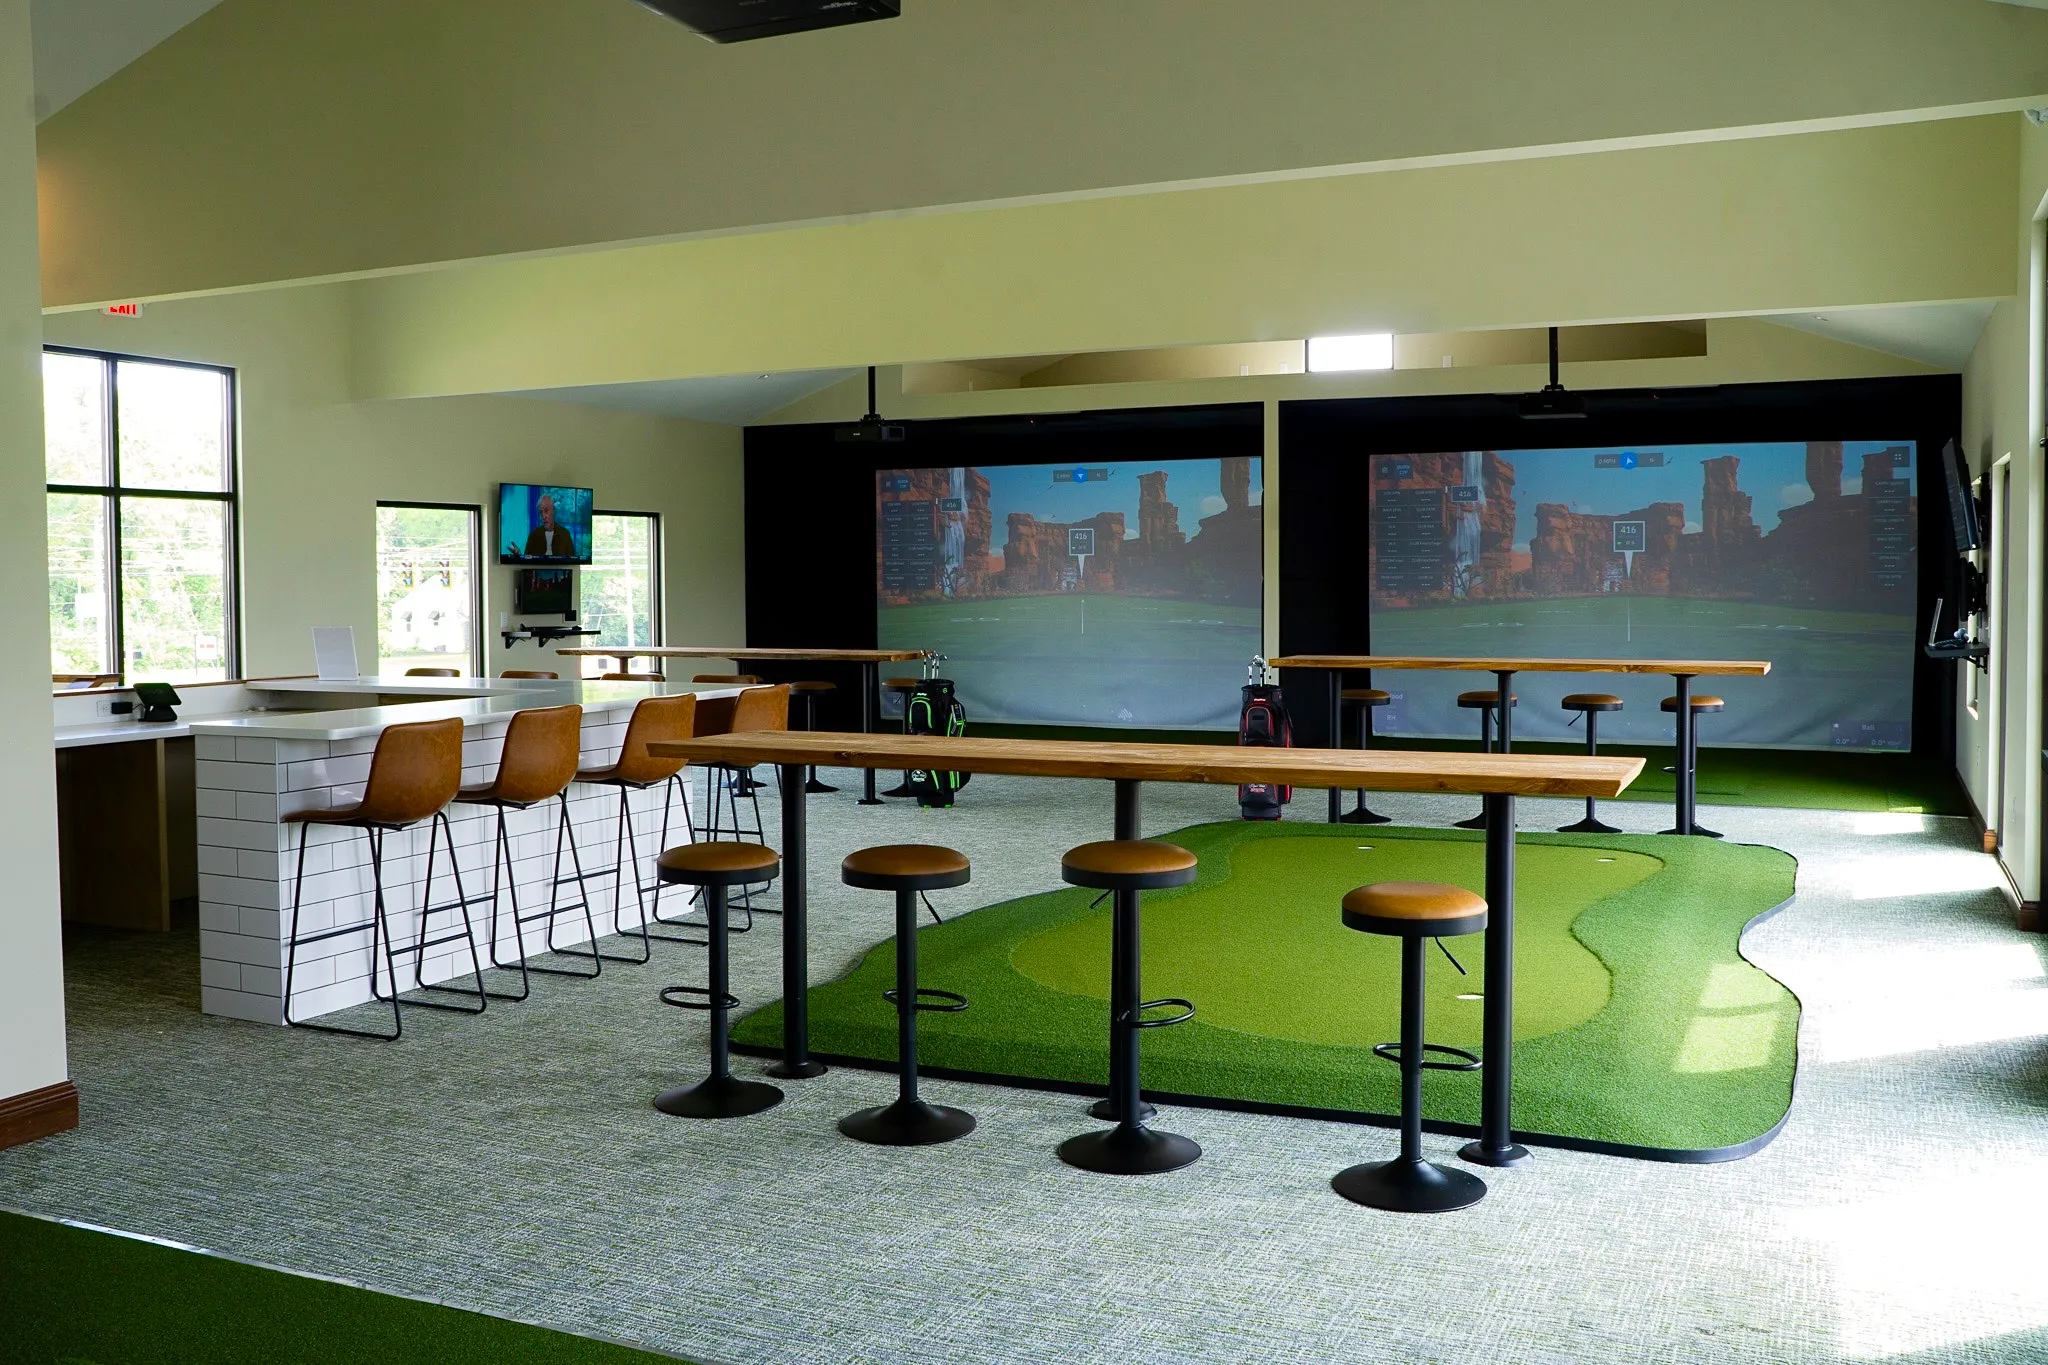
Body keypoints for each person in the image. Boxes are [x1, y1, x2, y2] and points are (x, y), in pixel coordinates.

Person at [515, 493, 577, 560]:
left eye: (546, 511)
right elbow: (527, 561)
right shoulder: (533, 535)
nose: (543, 516)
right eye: (540, 512)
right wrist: (519, 556)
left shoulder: (565, 534)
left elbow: (572, 561)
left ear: (553, 510)